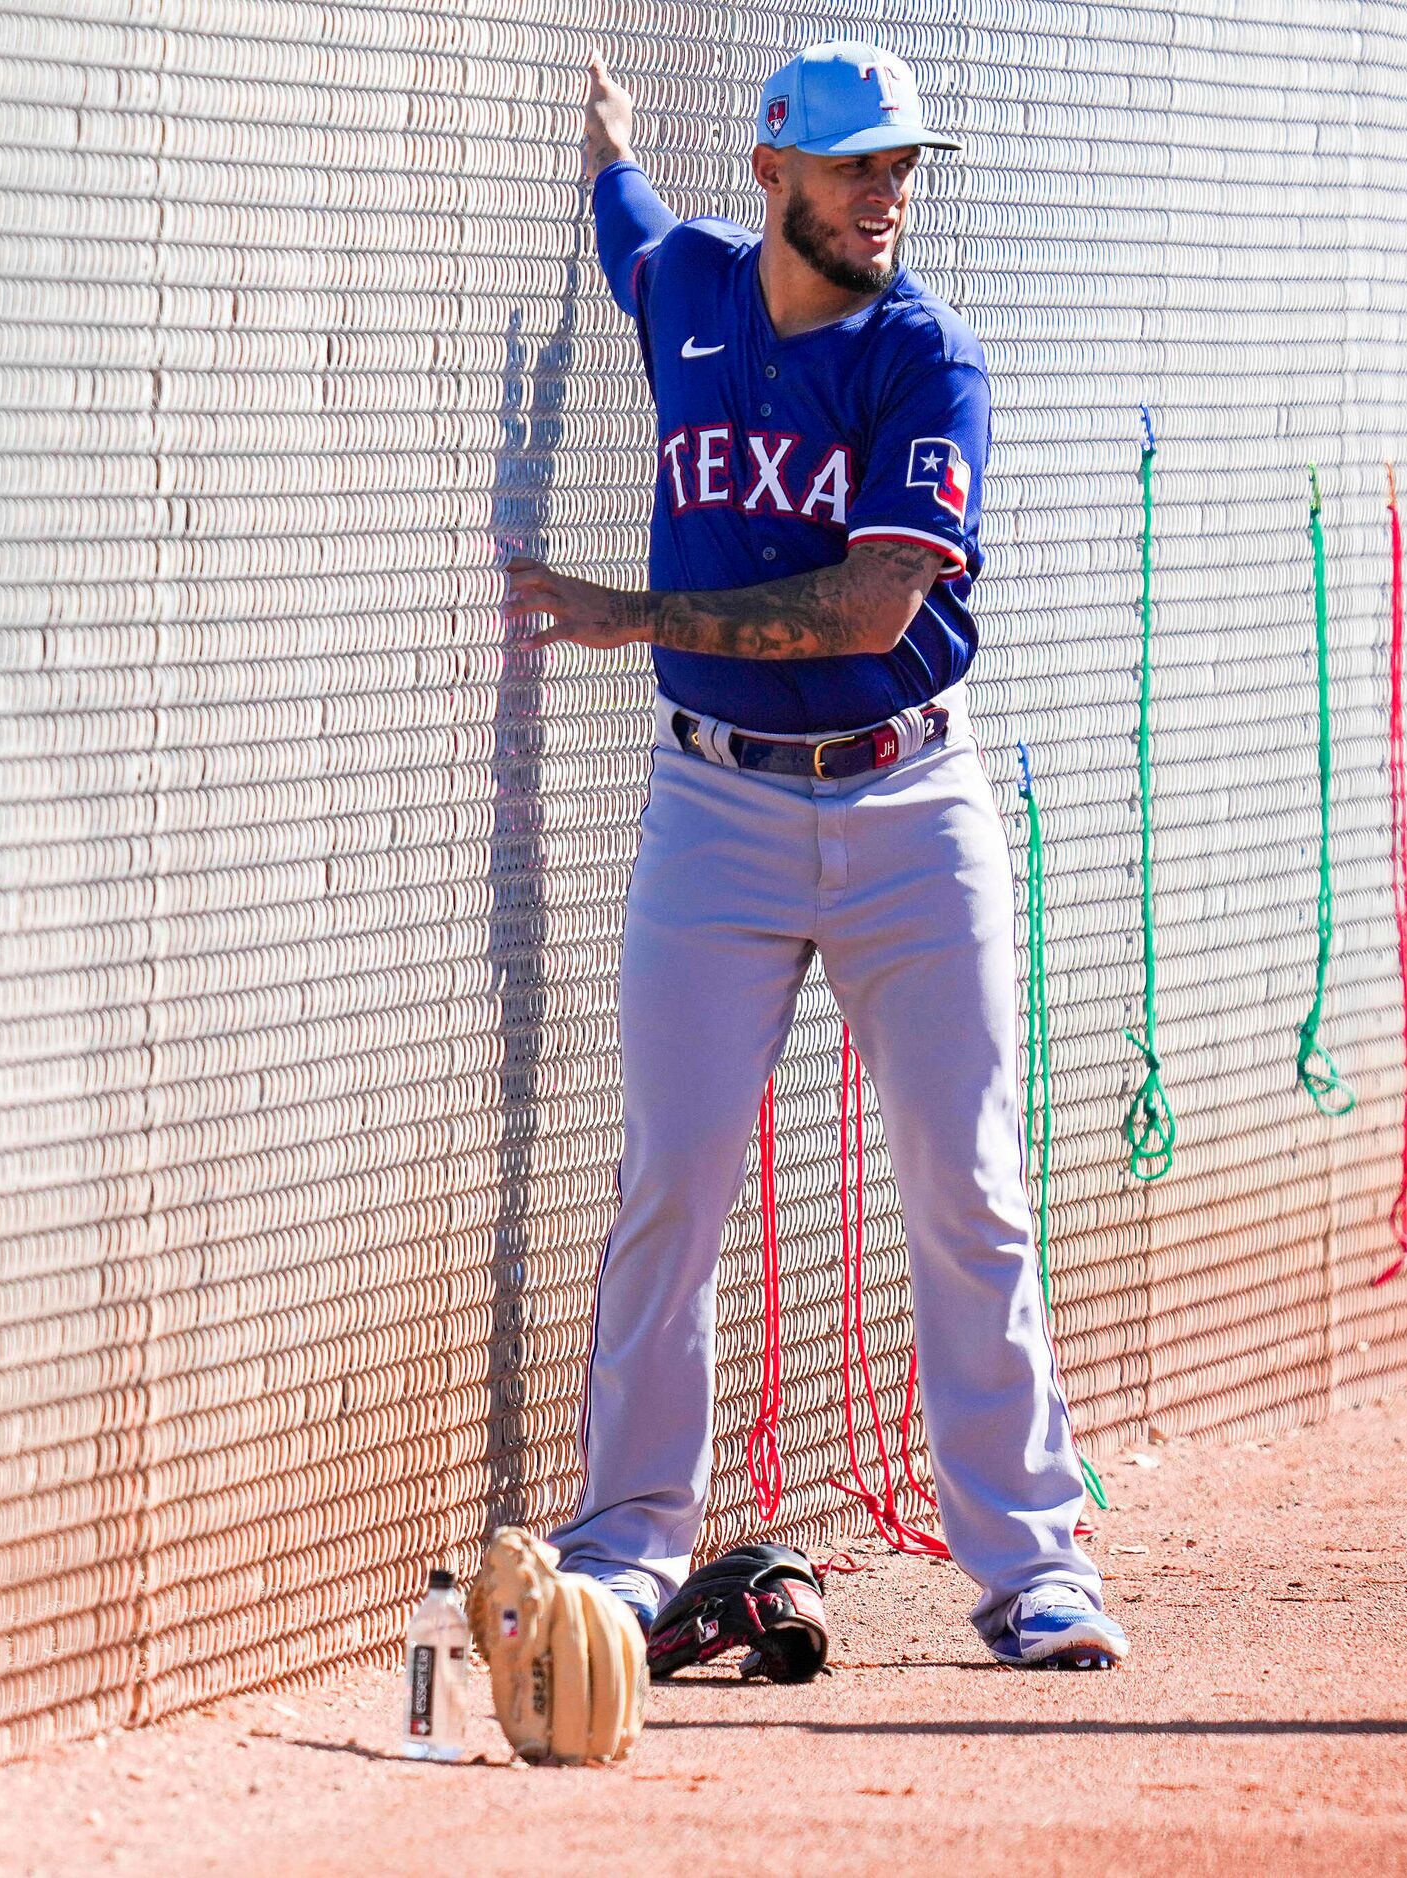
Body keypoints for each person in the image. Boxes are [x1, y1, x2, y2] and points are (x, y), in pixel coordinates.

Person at [498, 40, 1129, 1670]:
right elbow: (626, 223)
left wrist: (630, 615)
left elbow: (865, 610)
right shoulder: (690, 286)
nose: (886, 192)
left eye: (900, 164)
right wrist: (605, 142)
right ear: (773, 170)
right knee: (671, 1178)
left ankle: (1028, 1562)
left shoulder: (927, 357)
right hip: (715, 808)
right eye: (854, 165)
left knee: (966, 1185)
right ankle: (626, 1545)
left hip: (909, 803)